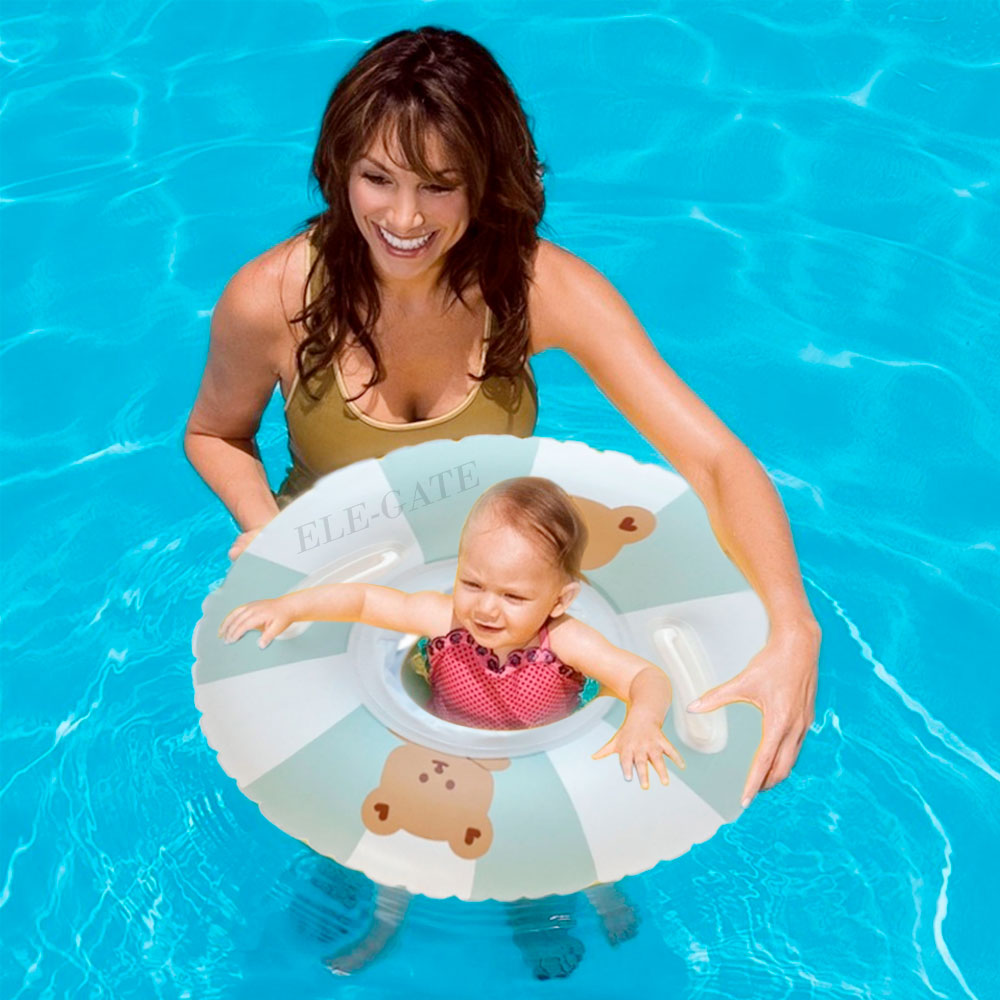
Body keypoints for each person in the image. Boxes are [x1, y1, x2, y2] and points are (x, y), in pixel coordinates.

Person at [185, 22, 820, 972]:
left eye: (439, 184)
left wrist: (792, 629)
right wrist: (272, 536)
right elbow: (213, 435)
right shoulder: (271, 298)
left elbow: (718, 460)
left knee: (534, 785)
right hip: (344, 579)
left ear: (485, 181)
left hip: (498, 586)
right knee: (348, 832)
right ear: (336, 169)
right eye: (377, 178)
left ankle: (539, 896)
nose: (404, 216)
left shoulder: (534, 288)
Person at [220, 476, 680, 976]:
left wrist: (642, 718)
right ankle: (384, 926)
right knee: (397, 853)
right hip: (444, 761)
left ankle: (597, 899)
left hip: (543, 767)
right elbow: (366, 603)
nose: (485, 607)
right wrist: (290, 606)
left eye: (513, 596)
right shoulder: (445, 620)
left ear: (560, 600)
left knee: (569, 847)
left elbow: (645, 676)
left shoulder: (566, 640)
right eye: (473, 582)